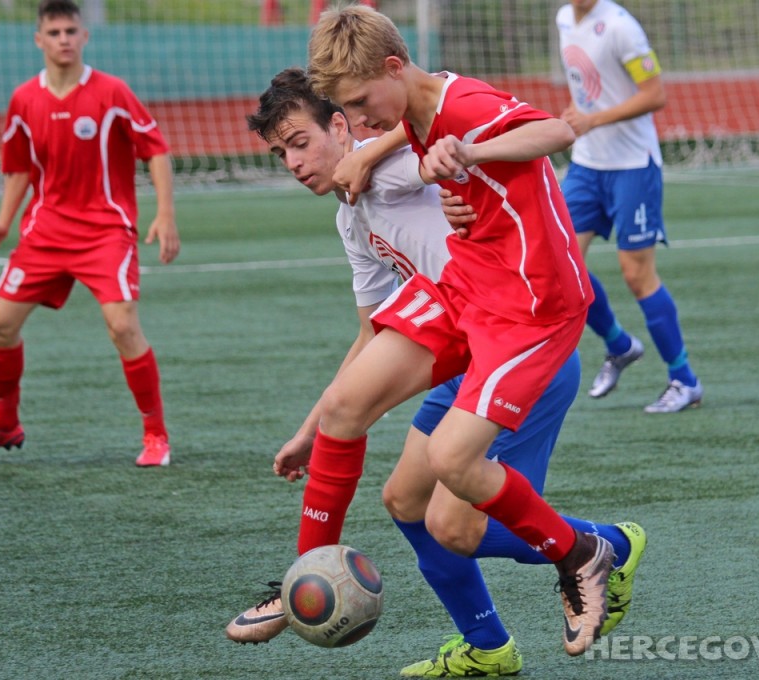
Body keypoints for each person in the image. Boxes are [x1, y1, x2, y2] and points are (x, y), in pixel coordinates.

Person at [226, 68, 647, 675]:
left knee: (456, 527)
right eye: (280, 152)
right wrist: (311, 428)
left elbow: (429, 119)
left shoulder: (396, 165)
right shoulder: (352, 217)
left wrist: (395, 157)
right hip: (457, 345)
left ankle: (605, 543)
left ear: (342, 125)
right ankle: (477, 643)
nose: (292, 162)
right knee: (403, 500)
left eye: (299, 142)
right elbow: (372, 334)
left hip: (518, 351)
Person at [0, 0, 180, 467]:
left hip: (105, 231)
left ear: (85, 36)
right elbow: (17, 168)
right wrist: (3, 221)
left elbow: (155, 149)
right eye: (54, 32)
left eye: (71, 30)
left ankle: (156, 435)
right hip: (46, 230)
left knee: (122, 324)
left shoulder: (111, 92)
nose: (64, 39)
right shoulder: (24, 99)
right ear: (39, 40)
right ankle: (4, 425)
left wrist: (165, 214)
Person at [557, 0, 703, 412]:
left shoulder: (621, 27)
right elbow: (587, 85)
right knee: (558, 263)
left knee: (636, 274)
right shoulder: (564, 19)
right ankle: (619, 345)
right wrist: (579, 115)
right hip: (587, 166)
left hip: (633, 168)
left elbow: (655, 95)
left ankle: (684, 380)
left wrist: (594, 119)